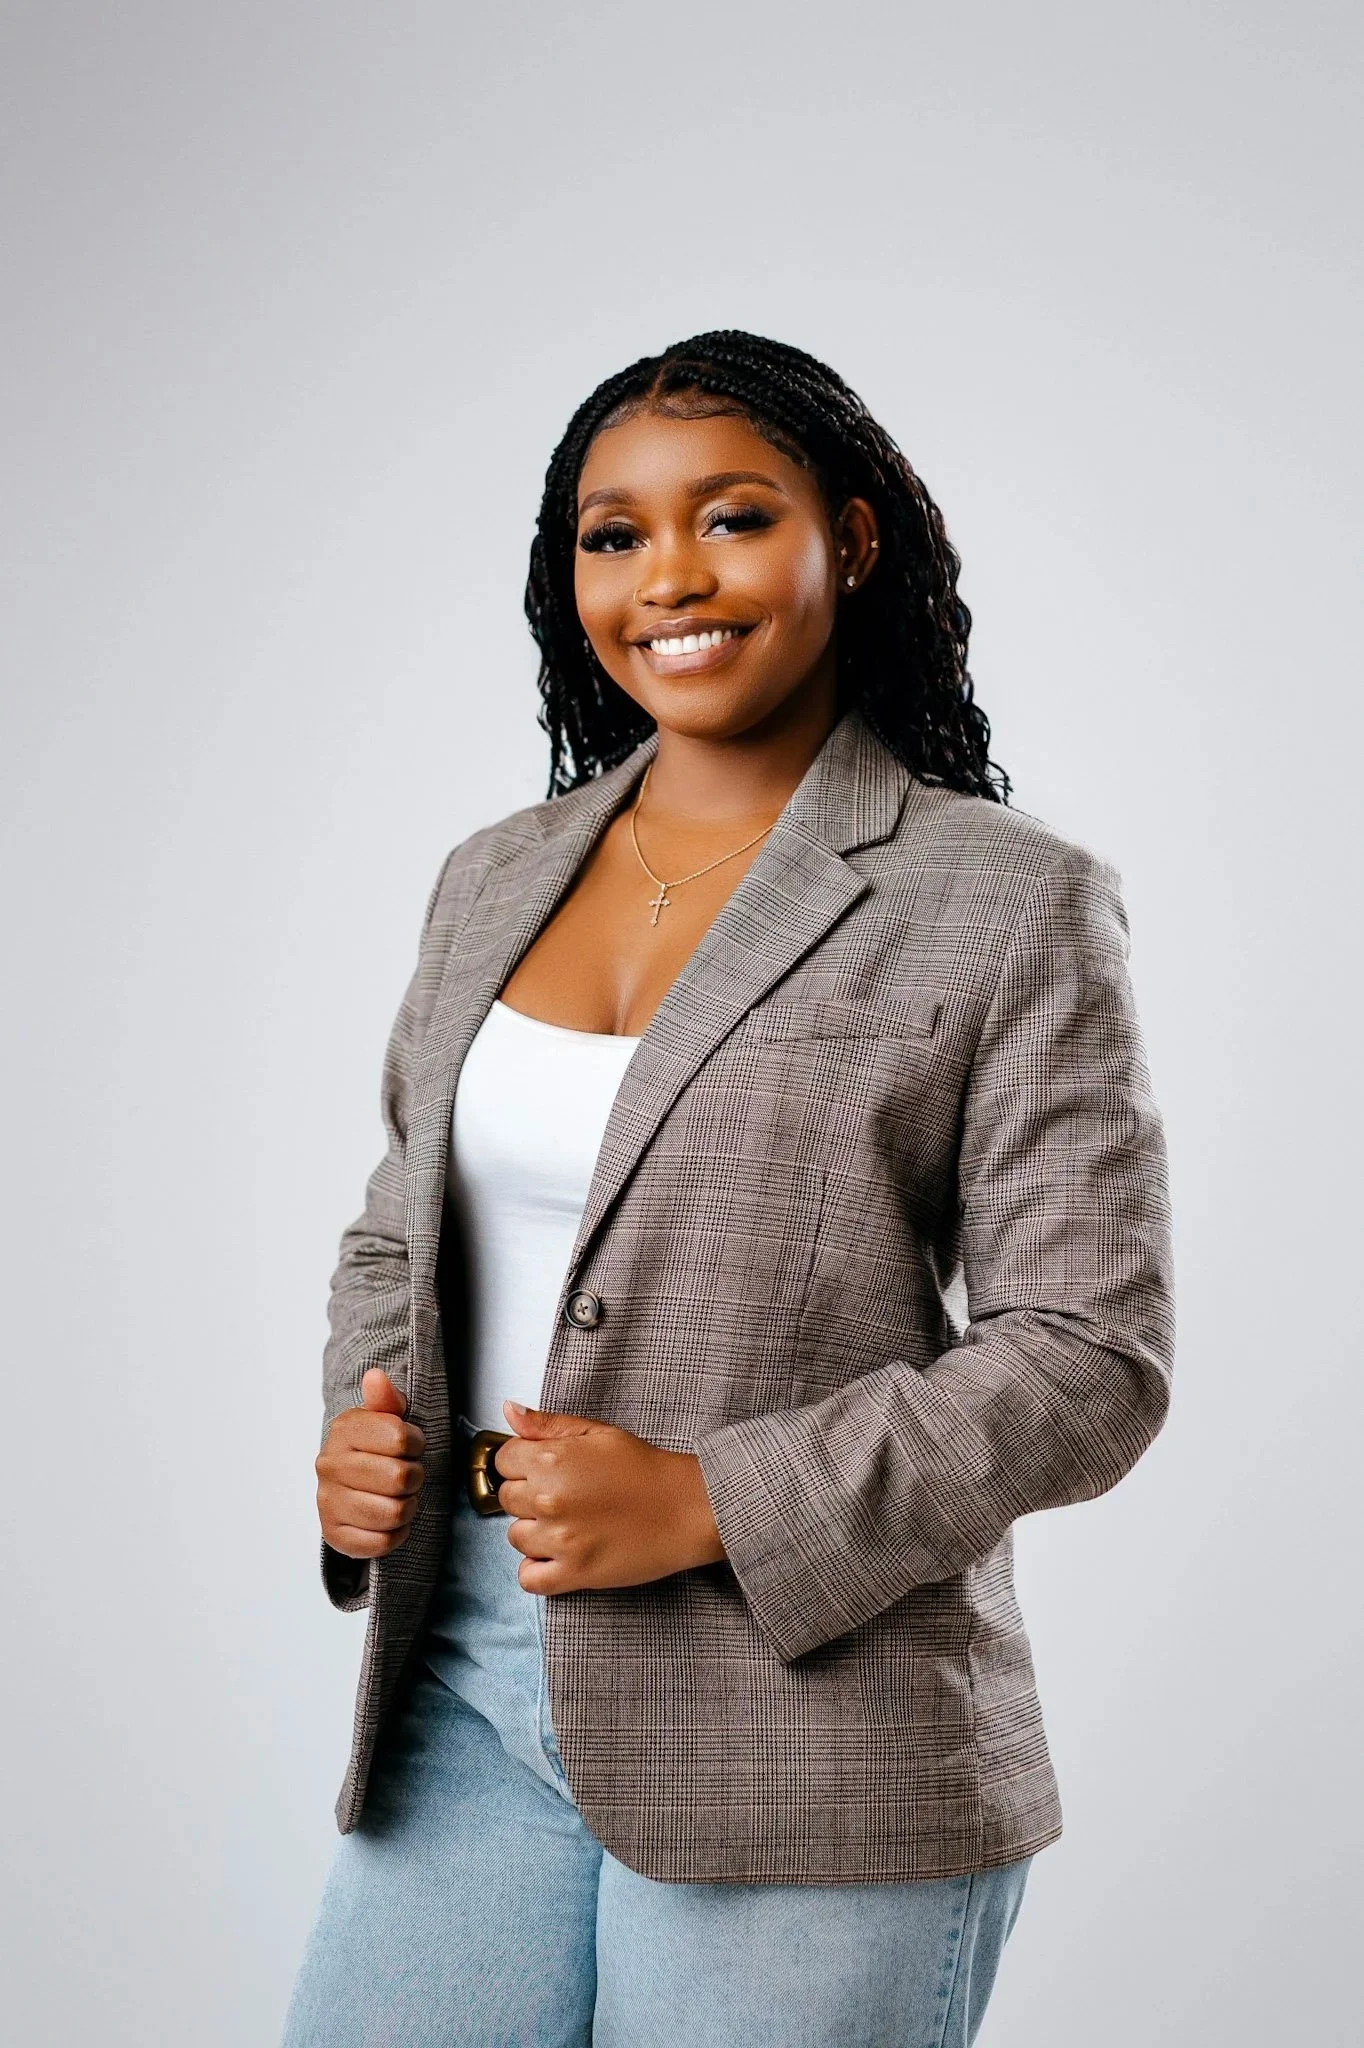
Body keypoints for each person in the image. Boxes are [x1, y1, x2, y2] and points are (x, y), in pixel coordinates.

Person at [282, 329, 1175, 2047]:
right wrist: (360, 1433)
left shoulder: (1004, 900)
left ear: (851, 537)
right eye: (613, 536)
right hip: (456, 1698)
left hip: (815, 1735)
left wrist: (712, 1503)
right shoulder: (493, 877)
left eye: (733, 518)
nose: (668, 578)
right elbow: (399, 1222)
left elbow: (1087, 1357)